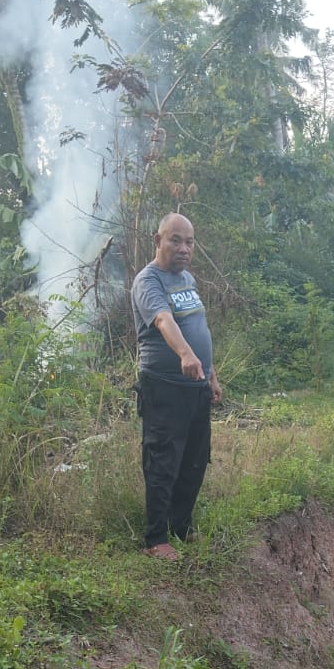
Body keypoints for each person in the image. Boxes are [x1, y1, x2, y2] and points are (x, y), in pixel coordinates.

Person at [130, 213, 223, 559]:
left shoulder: (187, 279)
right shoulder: (148, 280)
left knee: (194, 461)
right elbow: (163, 320)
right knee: (163, 461)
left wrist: (210, 374)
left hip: (196, 385)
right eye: (176, 240)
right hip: (165, 386)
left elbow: (199, 327)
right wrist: (185, 354)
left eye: (189, 242)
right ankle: (156, 539)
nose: (184, 248)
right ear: (158, 241)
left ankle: (180, 527)